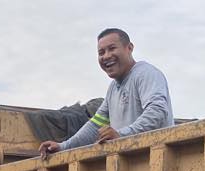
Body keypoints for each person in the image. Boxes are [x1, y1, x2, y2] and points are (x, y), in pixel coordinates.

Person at [39, 28, 174, 156]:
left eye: (112, 48)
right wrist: (63, 146)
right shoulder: (113, 89)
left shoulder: (145, 74)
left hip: (156, 160)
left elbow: (158, 112)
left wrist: (122, 135)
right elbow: (95, 125)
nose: (106, 56)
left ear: (129, 48)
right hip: (130, 163)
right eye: (101, 52)